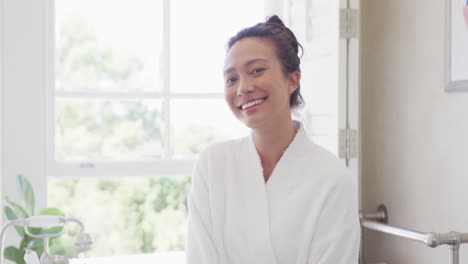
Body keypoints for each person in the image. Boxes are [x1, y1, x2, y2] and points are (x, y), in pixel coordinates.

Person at [186, 15, 361, 264]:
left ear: (292, 80)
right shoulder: (213, 164)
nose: (243, 88)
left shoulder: (332, 178)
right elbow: (199, 257)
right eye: (231, 79)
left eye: (257, 71)